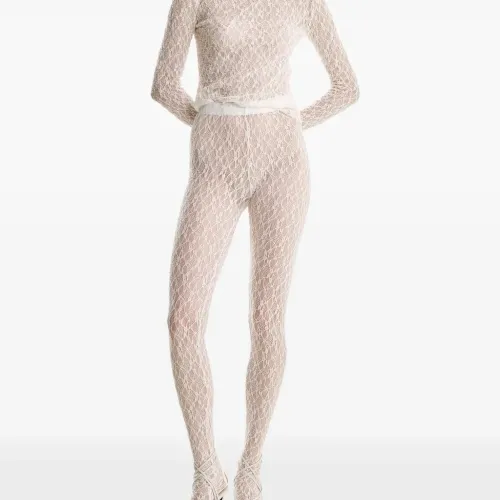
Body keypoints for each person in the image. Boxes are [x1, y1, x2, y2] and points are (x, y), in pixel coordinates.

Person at [150, 0, 359, 497]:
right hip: (214, 167)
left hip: (283, 164)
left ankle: (250, 465)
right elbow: (163, 85)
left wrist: (288, 121)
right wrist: (212, 119)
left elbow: (347, 87)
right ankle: (207, 468)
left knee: (267, 316)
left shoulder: (305, 2)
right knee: (183, 319)